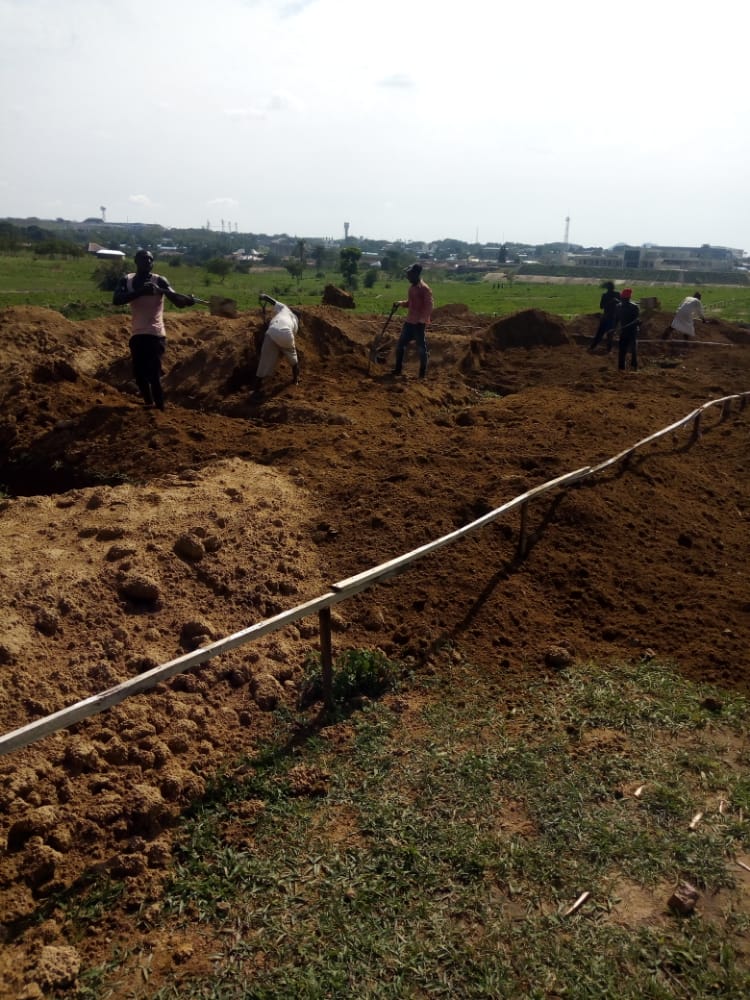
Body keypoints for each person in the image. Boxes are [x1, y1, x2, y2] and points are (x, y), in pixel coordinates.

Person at [112, 249, 196, 410]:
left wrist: (187, 301)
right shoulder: (127, 280)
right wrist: (141, 292)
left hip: (155, 334)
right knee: (139, 375)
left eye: (151, 259)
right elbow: (117, 300)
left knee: (153, 374)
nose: (148, 262)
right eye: (144, 259)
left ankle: (159, 408)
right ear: (136, 261)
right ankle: (149, 404)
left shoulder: (159, 281)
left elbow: (177, 301)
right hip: (137, 333)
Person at [251, 294, 300, 395]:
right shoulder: (295, 322)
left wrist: (264, 296)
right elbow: (288, 339)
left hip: (272, 331)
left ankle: (256, 389)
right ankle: (295, 380)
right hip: (286, 335)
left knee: (264, 362)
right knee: (294, 360)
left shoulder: (284, 308)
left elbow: (273, 301)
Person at [392, 263, 433, 378]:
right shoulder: (412, 288)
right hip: (409, 321)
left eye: (409, 274)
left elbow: (429, 306)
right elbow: (410, 303)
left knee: (421, 348)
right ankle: (398, 370)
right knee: (400, 346)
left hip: (418, 324)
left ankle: (422, 374)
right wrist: (400, 303)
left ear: (416, 274)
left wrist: (422, 320)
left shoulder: (424, 289)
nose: (407, 276)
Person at [588, 280, 621, 353]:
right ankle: (596, 346)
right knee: (604, 333)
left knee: (606, 333)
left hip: (611, 317)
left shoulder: (616, 294)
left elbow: (622, 304)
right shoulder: (606, 295)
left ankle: (598, 347)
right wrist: (611, 302)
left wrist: (617, 301)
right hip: (609, 317)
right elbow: (601, 306)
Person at [617, 288, 640, 371]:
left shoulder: (633, 307)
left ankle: (632, 367)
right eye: (622, 298)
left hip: (631, 331)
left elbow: (637, 320)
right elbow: (617, 319)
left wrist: (623, 327)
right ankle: (622, 368)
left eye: (623, 298)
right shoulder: (619, 307)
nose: (622, 299)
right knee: (623, 350)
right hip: (626, 331)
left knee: (631, 350)